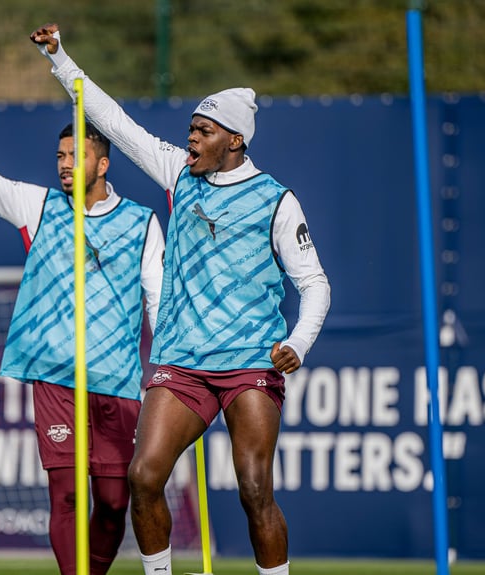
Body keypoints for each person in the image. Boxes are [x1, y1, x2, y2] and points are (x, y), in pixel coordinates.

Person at [31, 25, 331, 575]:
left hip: (248, 363)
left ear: (234, 140)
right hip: (182, 362)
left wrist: (298, 342)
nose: (190, 138)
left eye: (203, 130)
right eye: (190, 128)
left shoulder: (276, 201)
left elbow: (315, 284)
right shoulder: (178, 174)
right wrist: (61, 59)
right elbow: (116, 124)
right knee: (144, 477)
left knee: (253, 489)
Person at [0, 83, 165, 575]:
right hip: (56, 376)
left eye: (76, 156)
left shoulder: (141, 222)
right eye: (60, 155)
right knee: (65, 496)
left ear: (103, 164)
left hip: (118, 381)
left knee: (112, 503)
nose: (64, 164)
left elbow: (156, 298)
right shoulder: (37, 206)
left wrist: (168, 366)